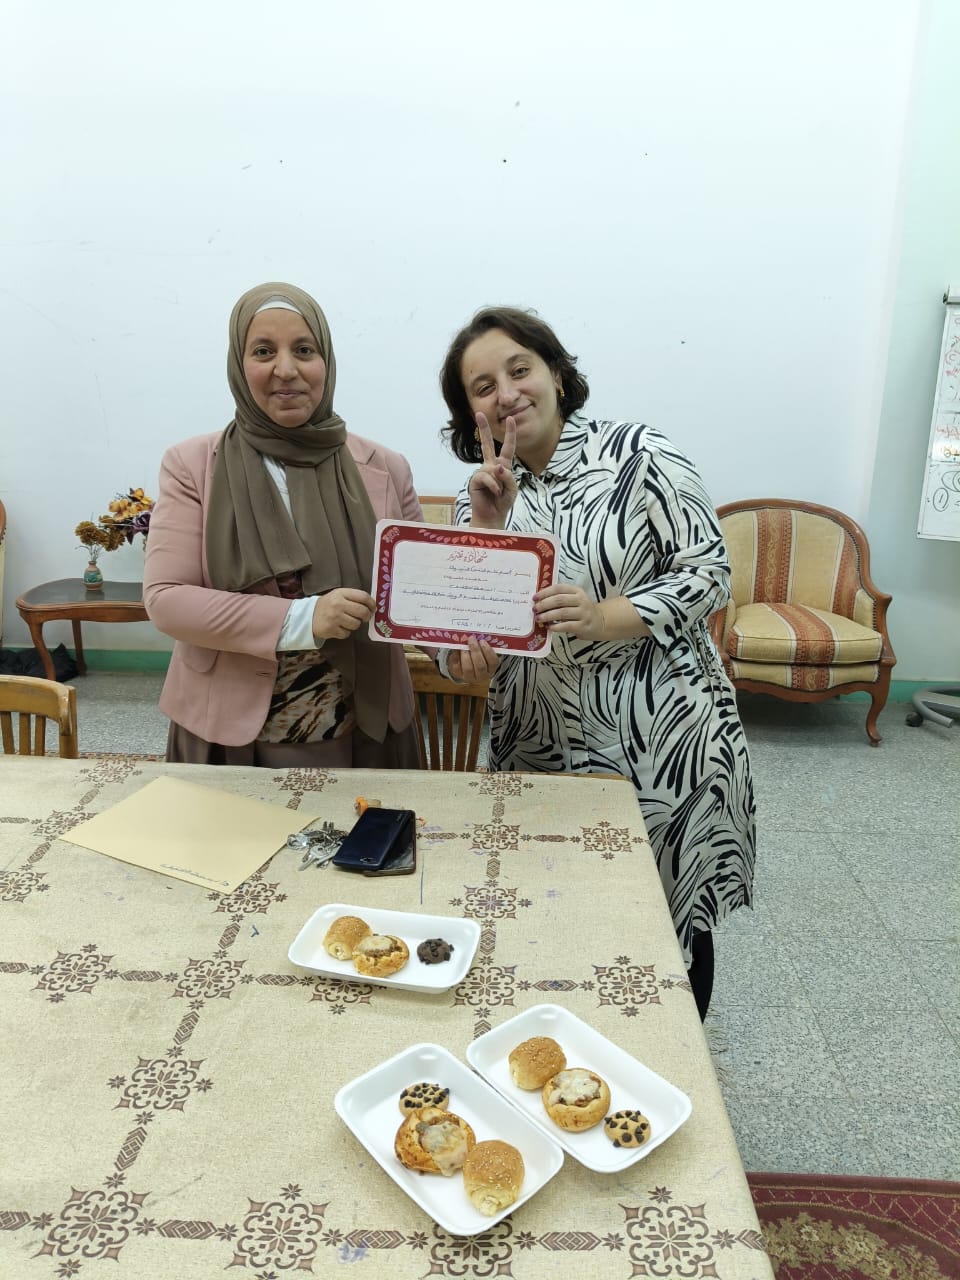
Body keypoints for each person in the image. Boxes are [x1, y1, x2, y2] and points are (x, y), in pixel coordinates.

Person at [437, 306, 756, 1019]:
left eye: (519, 369)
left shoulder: (640, 454)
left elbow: (710, 571)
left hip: (659, 736)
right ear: (470, 412)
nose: (506, 393)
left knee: (666, 920)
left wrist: (604, 616)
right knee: (553, 904)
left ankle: (673, 1063)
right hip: (538, 740)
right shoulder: (479, 497)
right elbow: (463, 636)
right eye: (483, 386)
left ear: (555, 373)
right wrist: (487, 533)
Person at [143, 281, 422, 768]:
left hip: (366, 727)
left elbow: (419, 593)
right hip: (232, 733)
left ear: (326, 361)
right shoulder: (192, 465)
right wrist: (303, 618)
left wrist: (454, 655)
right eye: (264, 351)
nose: (286, 369)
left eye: (304, 350)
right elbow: (166, 600)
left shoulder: (385, 467)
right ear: (238, 364)